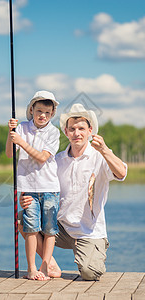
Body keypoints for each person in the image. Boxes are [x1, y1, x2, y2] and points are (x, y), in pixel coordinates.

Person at [18, 103, 127, 281]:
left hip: (89, 232)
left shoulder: (100, 156)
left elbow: (121, 172)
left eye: (82, 128)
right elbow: (40, 183)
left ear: (90, 130)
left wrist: (105, 150)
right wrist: (26, 197)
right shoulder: (58, 160)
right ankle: (49, 263)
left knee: (89, 273)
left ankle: (91, 252)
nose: (77, 133)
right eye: (72, 129)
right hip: (60, 228)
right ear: (66, 132)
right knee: (22, 218)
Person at [6, 90, 60, 280]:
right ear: (32, 109)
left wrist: (21, 141)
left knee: (49, 229)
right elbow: (9, 154)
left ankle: (45, 268)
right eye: (38, 111)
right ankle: (31, 269)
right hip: (28, 187)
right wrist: (11, 133)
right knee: (30, 228)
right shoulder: (22, 128)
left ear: (52, 113)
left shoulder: (54, 132)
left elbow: (42, 157)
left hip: (49, 187)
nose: (42, 115)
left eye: (46, 112)